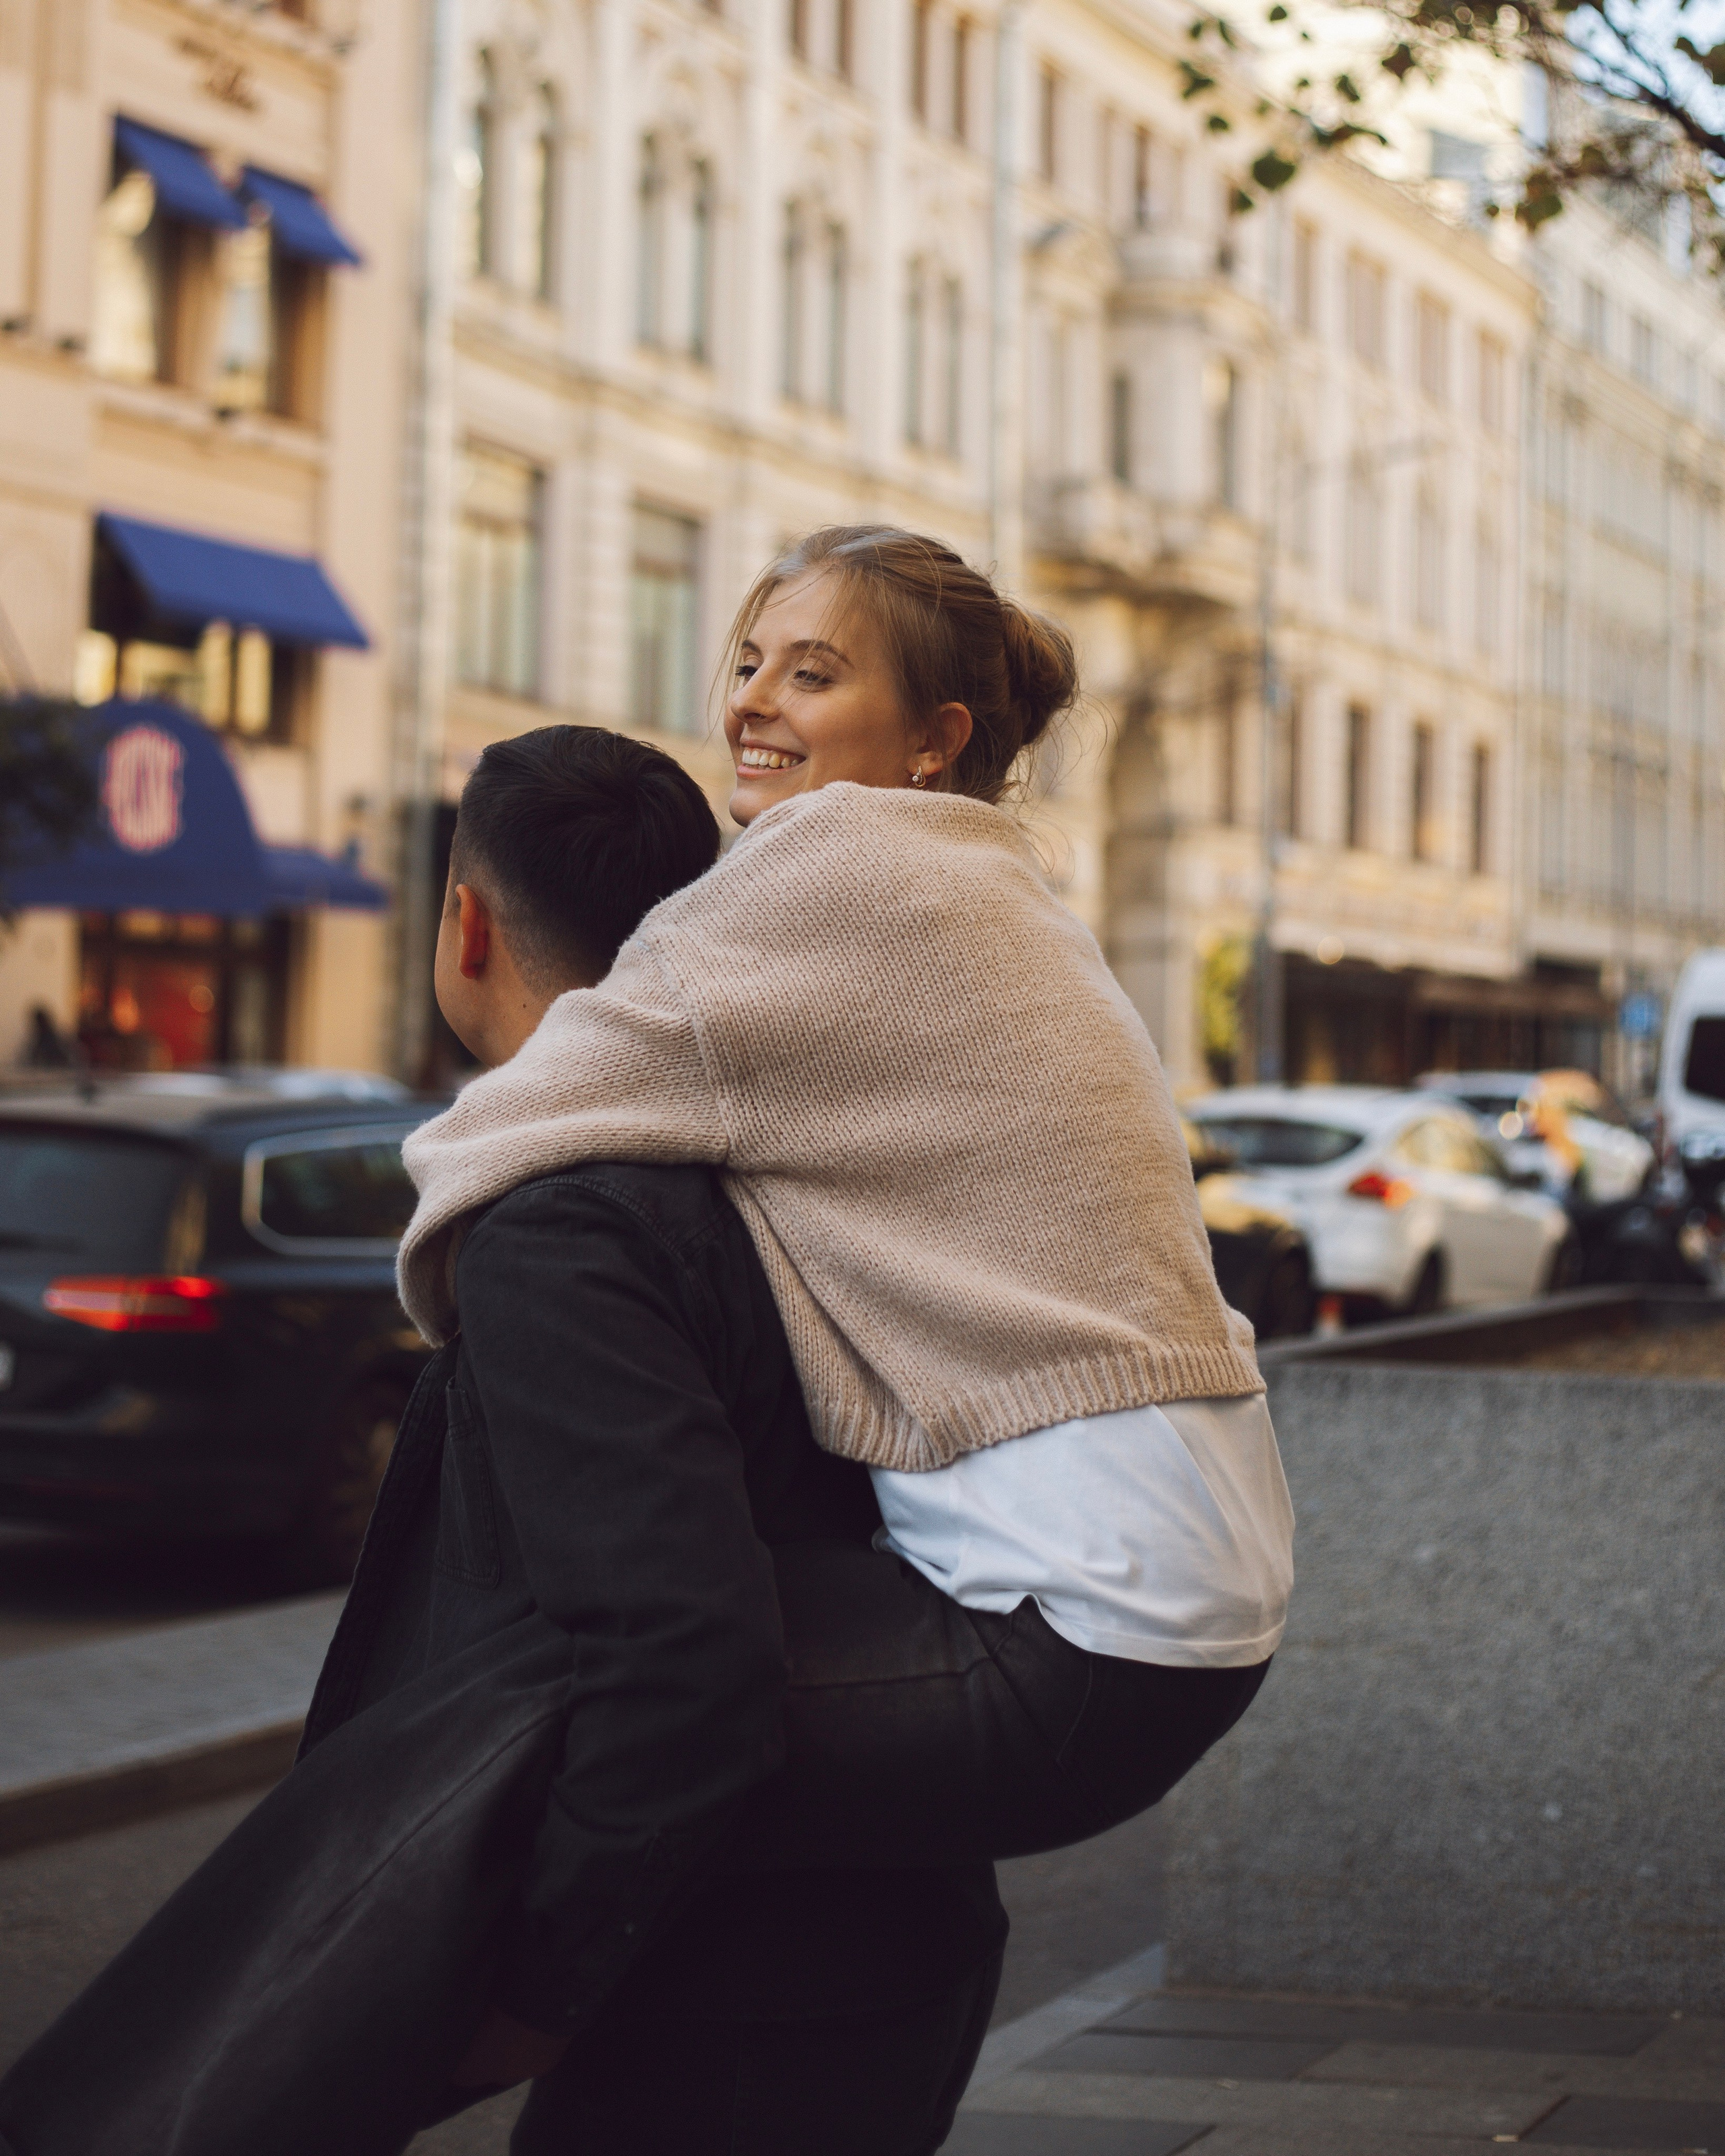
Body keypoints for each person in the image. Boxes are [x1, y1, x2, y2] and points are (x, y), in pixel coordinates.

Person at [402, 528, 1291, 1868]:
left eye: (811, 676)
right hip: (1197, 1581)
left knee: (538, 1712)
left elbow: (508, 1125)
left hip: (1085, 1614)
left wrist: (468, 1307)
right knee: (656, 1700)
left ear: (935, 739)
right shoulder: (992, 881)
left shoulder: (830, 870)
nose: (752, 703)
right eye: (749, 664)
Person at [309, 722, 1011, 2151]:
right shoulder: (777, 1160)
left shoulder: (563, 1222)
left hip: (732, 1990)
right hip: (888, 1926)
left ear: (465, 926)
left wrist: (541, 1987)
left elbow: (685, 1655)